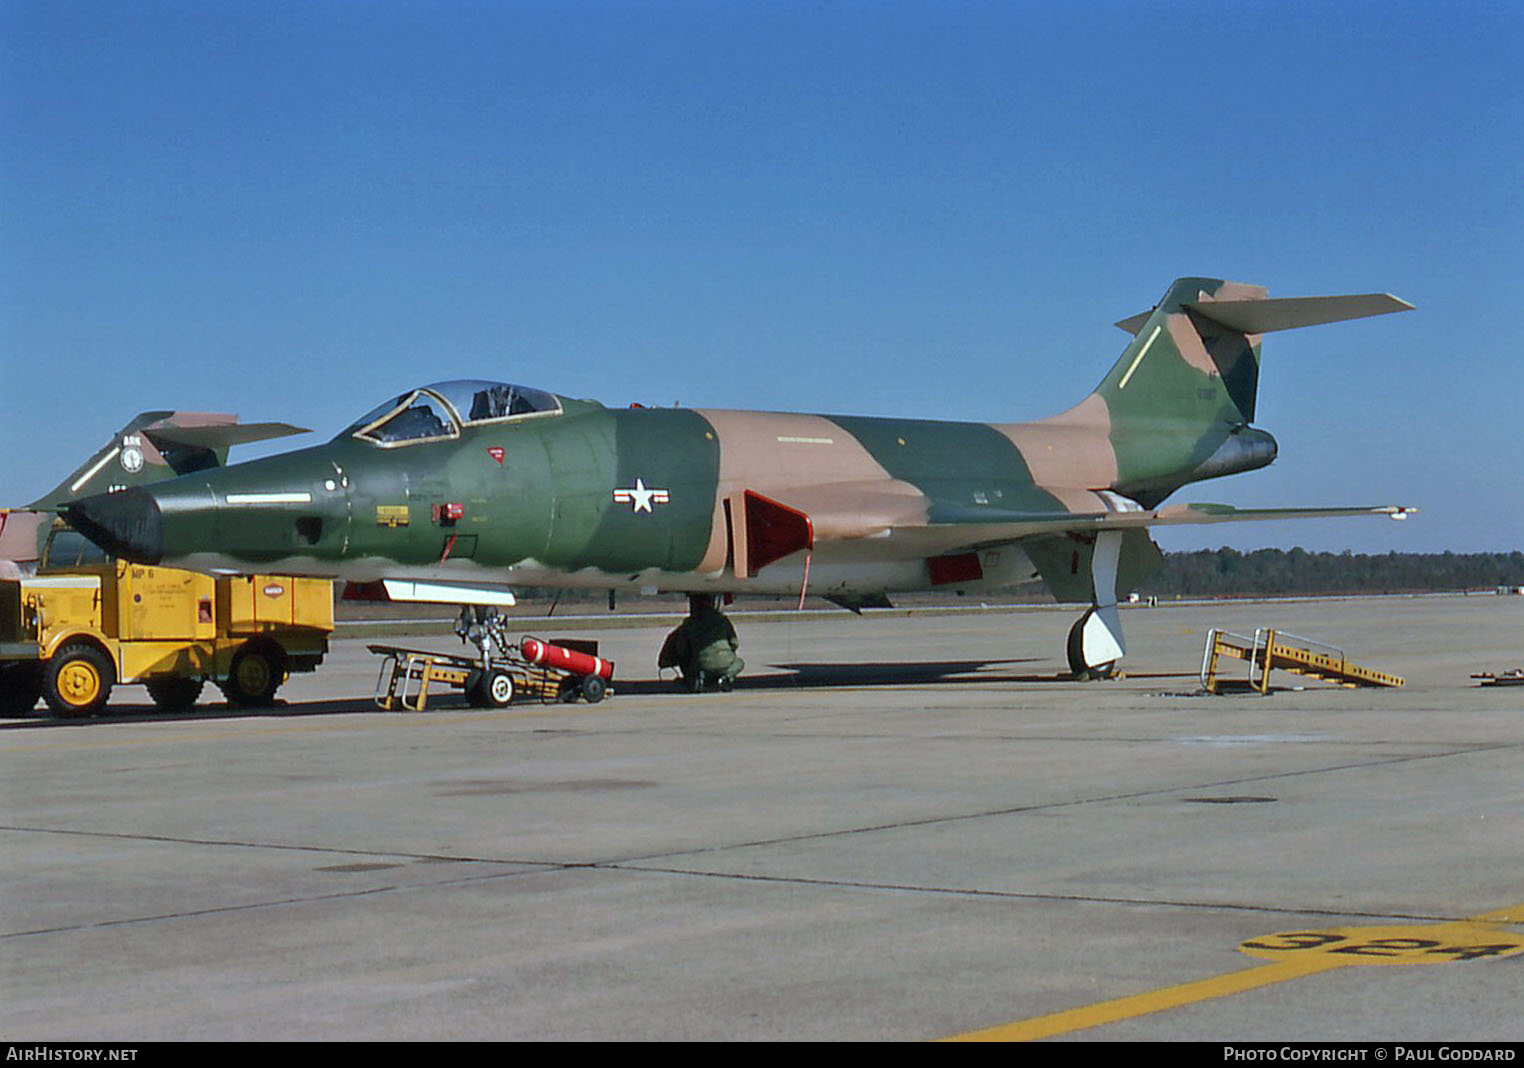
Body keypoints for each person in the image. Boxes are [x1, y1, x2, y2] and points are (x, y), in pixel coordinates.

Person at [658, 594, 744, 691]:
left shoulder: (690, 622)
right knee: (739, 663)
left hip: (700, 665)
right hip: (724, 664)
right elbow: (734, 643)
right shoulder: (722, 620)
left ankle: (695, 678)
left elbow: (682, 648)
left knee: (690, 662)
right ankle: (726, 677)